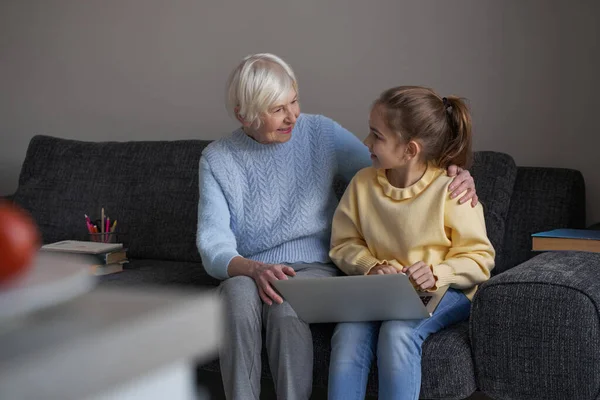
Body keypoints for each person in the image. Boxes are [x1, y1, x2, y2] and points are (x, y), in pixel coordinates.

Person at [196, 54, 479, 400]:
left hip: (312, 267)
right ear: (244, 115)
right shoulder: (218, 159)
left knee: (287, 305)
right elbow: (213, 244)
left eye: (294, 101)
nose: (293, 116)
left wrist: (452, 170)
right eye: (277, 109)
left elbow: (389, 166)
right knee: (237, 300)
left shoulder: (319, 133)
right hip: (246, 266)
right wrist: (253, 268)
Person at [327, 86, 496, 400]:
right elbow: (344, 242)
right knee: (348, 335)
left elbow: (480, 259)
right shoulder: (363, 184)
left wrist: (437, 274)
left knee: (398, 331)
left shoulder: (453, 191)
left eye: (376, 135)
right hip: (381, 290)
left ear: (410, 150)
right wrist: (371, 266)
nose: (366, 143)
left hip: (446, 292)